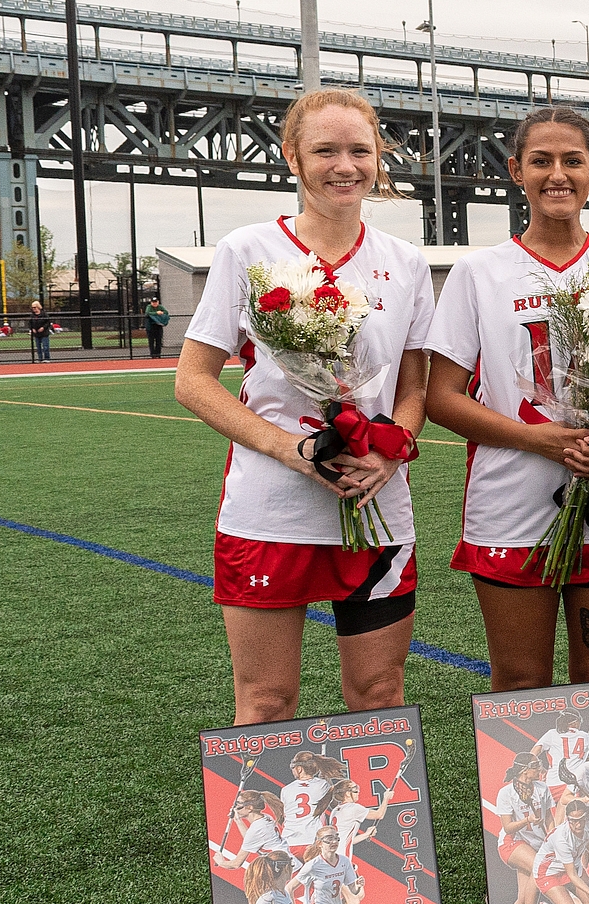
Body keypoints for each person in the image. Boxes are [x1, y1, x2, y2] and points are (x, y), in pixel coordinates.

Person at [174, 88, 433, 726]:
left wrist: (390, 454)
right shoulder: (248, 250)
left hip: (374, 506)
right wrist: (288, 449)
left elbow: (413, 389)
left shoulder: (405, 263)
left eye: (360, 151)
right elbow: (194, 380)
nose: (344, 166)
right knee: (266, 704)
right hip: (270, 508)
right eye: (325, 150)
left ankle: (371, 830)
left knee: (378, 697)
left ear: (380, 159)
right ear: (292, 157)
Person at [426, 107, 589, 691]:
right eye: (540, 161)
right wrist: (536, 437)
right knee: (519, 680)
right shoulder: (479, 272)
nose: (557, 174)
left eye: (572, 160)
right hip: (510, 503)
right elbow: (440, 397)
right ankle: (523, 787)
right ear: (516, 171)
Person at [493, 753, 552, 904]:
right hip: (512, 842)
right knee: (539, 866)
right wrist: (527, 821)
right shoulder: (506, 793)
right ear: (525, 770)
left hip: (533, 845)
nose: (541, 770)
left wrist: (553, 838)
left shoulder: (543, 789)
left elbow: (550, 818)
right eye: (537, 766)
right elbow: (508, 827)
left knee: (524, 896)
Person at [313, 779, 388, 861]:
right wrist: (386, 798)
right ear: (348, 793)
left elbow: (346, 840)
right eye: (355, 789)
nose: (358, 792)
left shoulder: (335, 810)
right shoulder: (353, 808)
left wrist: (366, 834)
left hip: (331, 855)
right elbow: (379, 815)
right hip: (341, 858)